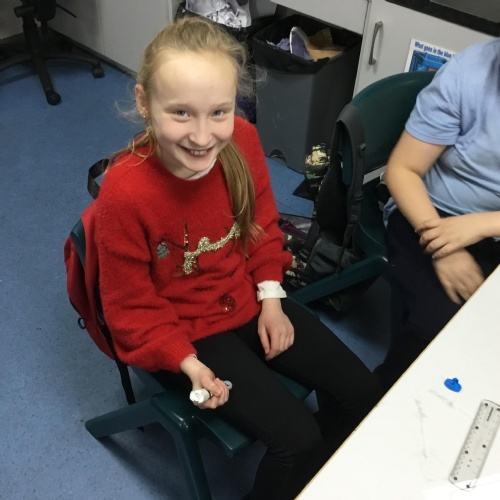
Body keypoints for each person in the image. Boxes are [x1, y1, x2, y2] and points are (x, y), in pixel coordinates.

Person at [94, 16, 381, 499]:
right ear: (144, 102)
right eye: (180, 113)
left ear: (235, 104)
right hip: (184, 330)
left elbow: (262, 228)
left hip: (247, 297)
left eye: (219, 112)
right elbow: (130, 309)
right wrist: (186, 362)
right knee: (297, 444)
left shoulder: (242, 140)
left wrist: (271, 298)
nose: (202, 136)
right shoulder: (125, 194)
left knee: (363, 396)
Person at [375, 39, 500, 391]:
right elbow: (402, 170)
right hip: (430, 212)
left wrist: (485, 223)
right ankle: (382, 399)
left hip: (485, 225)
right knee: (439, 326)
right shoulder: (469, 73)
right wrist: (444, 248)